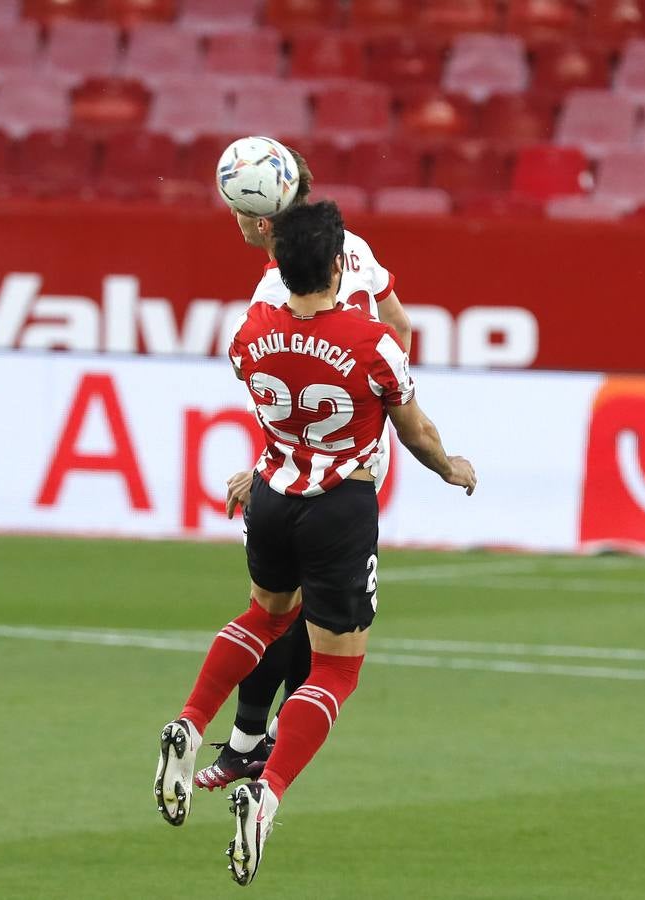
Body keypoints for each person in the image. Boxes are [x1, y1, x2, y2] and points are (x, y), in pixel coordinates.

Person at [154, 200, 476, 886]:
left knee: (263, 616)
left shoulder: (250, 332)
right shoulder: (371, 342)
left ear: (277, 266)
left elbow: (263, 388)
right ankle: (266, 793)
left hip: (272, 497)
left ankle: (190, 721)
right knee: (335, 670)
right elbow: (414, 431)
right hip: (339, 508)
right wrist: (450, 467)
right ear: (337, 267)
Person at [193, 143, 412, 793]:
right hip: (358, 454)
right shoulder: (353, 245)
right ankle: (262, 748)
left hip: (306, 467)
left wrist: (271, 463)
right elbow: (398, 325)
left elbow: (279, 389)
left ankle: (248, 742)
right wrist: (380, 400)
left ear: (262, 222)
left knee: (275, 609)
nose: (235, 224)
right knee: (317, 620)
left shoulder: (275, 291)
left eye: (237, 213)